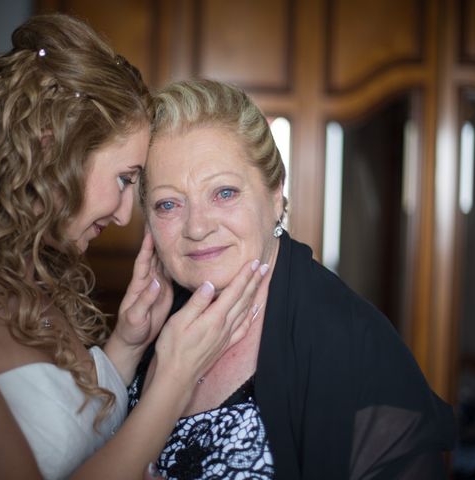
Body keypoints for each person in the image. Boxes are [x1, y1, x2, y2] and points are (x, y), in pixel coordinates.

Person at [0, 16, 268, 480]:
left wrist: (127, 344)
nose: (126, 214)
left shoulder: (29, 278)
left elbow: (73, 428)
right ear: (53, 153)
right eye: (125, 179)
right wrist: (174, 379)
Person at [130, 78, 457, 479]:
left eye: (225, 193)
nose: (196, 227)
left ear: (275, 194)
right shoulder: (147, 323)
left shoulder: (354, 344)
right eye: (168, 204)